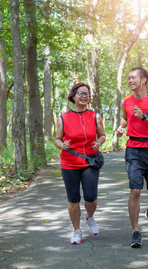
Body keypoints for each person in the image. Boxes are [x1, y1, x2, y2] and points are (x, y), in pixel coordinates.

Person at [116, 67, 148, 248]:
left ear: (143, 80)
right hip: (133, 150)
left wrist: (144, 117)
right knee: (135, 191)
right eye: (128, 78)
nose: (129, 81)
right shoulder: (126, 101)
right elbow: (125, 118)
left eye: (133, 78)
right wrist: (121, 128)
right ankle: (135, 232)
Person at [54, 83, 106, 245]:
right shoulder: (63, 118)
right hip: (69, 163)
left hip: (90, 161)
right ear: (73, 96)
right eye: (81, 93)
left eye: (87, 94)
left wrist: (99, 142)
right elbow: (56, 138)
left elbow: (102, 135)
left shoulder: (95, 116)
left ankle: (89, 217)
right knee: (73, 198)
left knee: (91, 197)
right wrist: (62, 145)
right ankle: (77, 230)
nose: (84, 96)